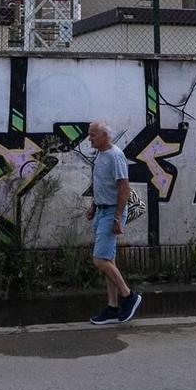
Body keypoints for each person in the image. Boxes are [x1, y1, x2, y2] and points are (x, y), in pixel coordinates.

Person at [86, 121, 141, 325]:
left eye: (92, 135)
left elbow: (124, 188)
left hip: (111, 213)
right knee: (109, 260)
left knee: (100, 260)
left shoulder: (115, 156)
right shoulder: (101, 154)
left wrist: (118, 217)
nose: (89, 138)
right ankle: (112, 307)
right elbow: (102, 184)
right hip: (102, 210)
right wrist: (94, 205)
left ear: (104, 136)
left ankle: (129, 296)